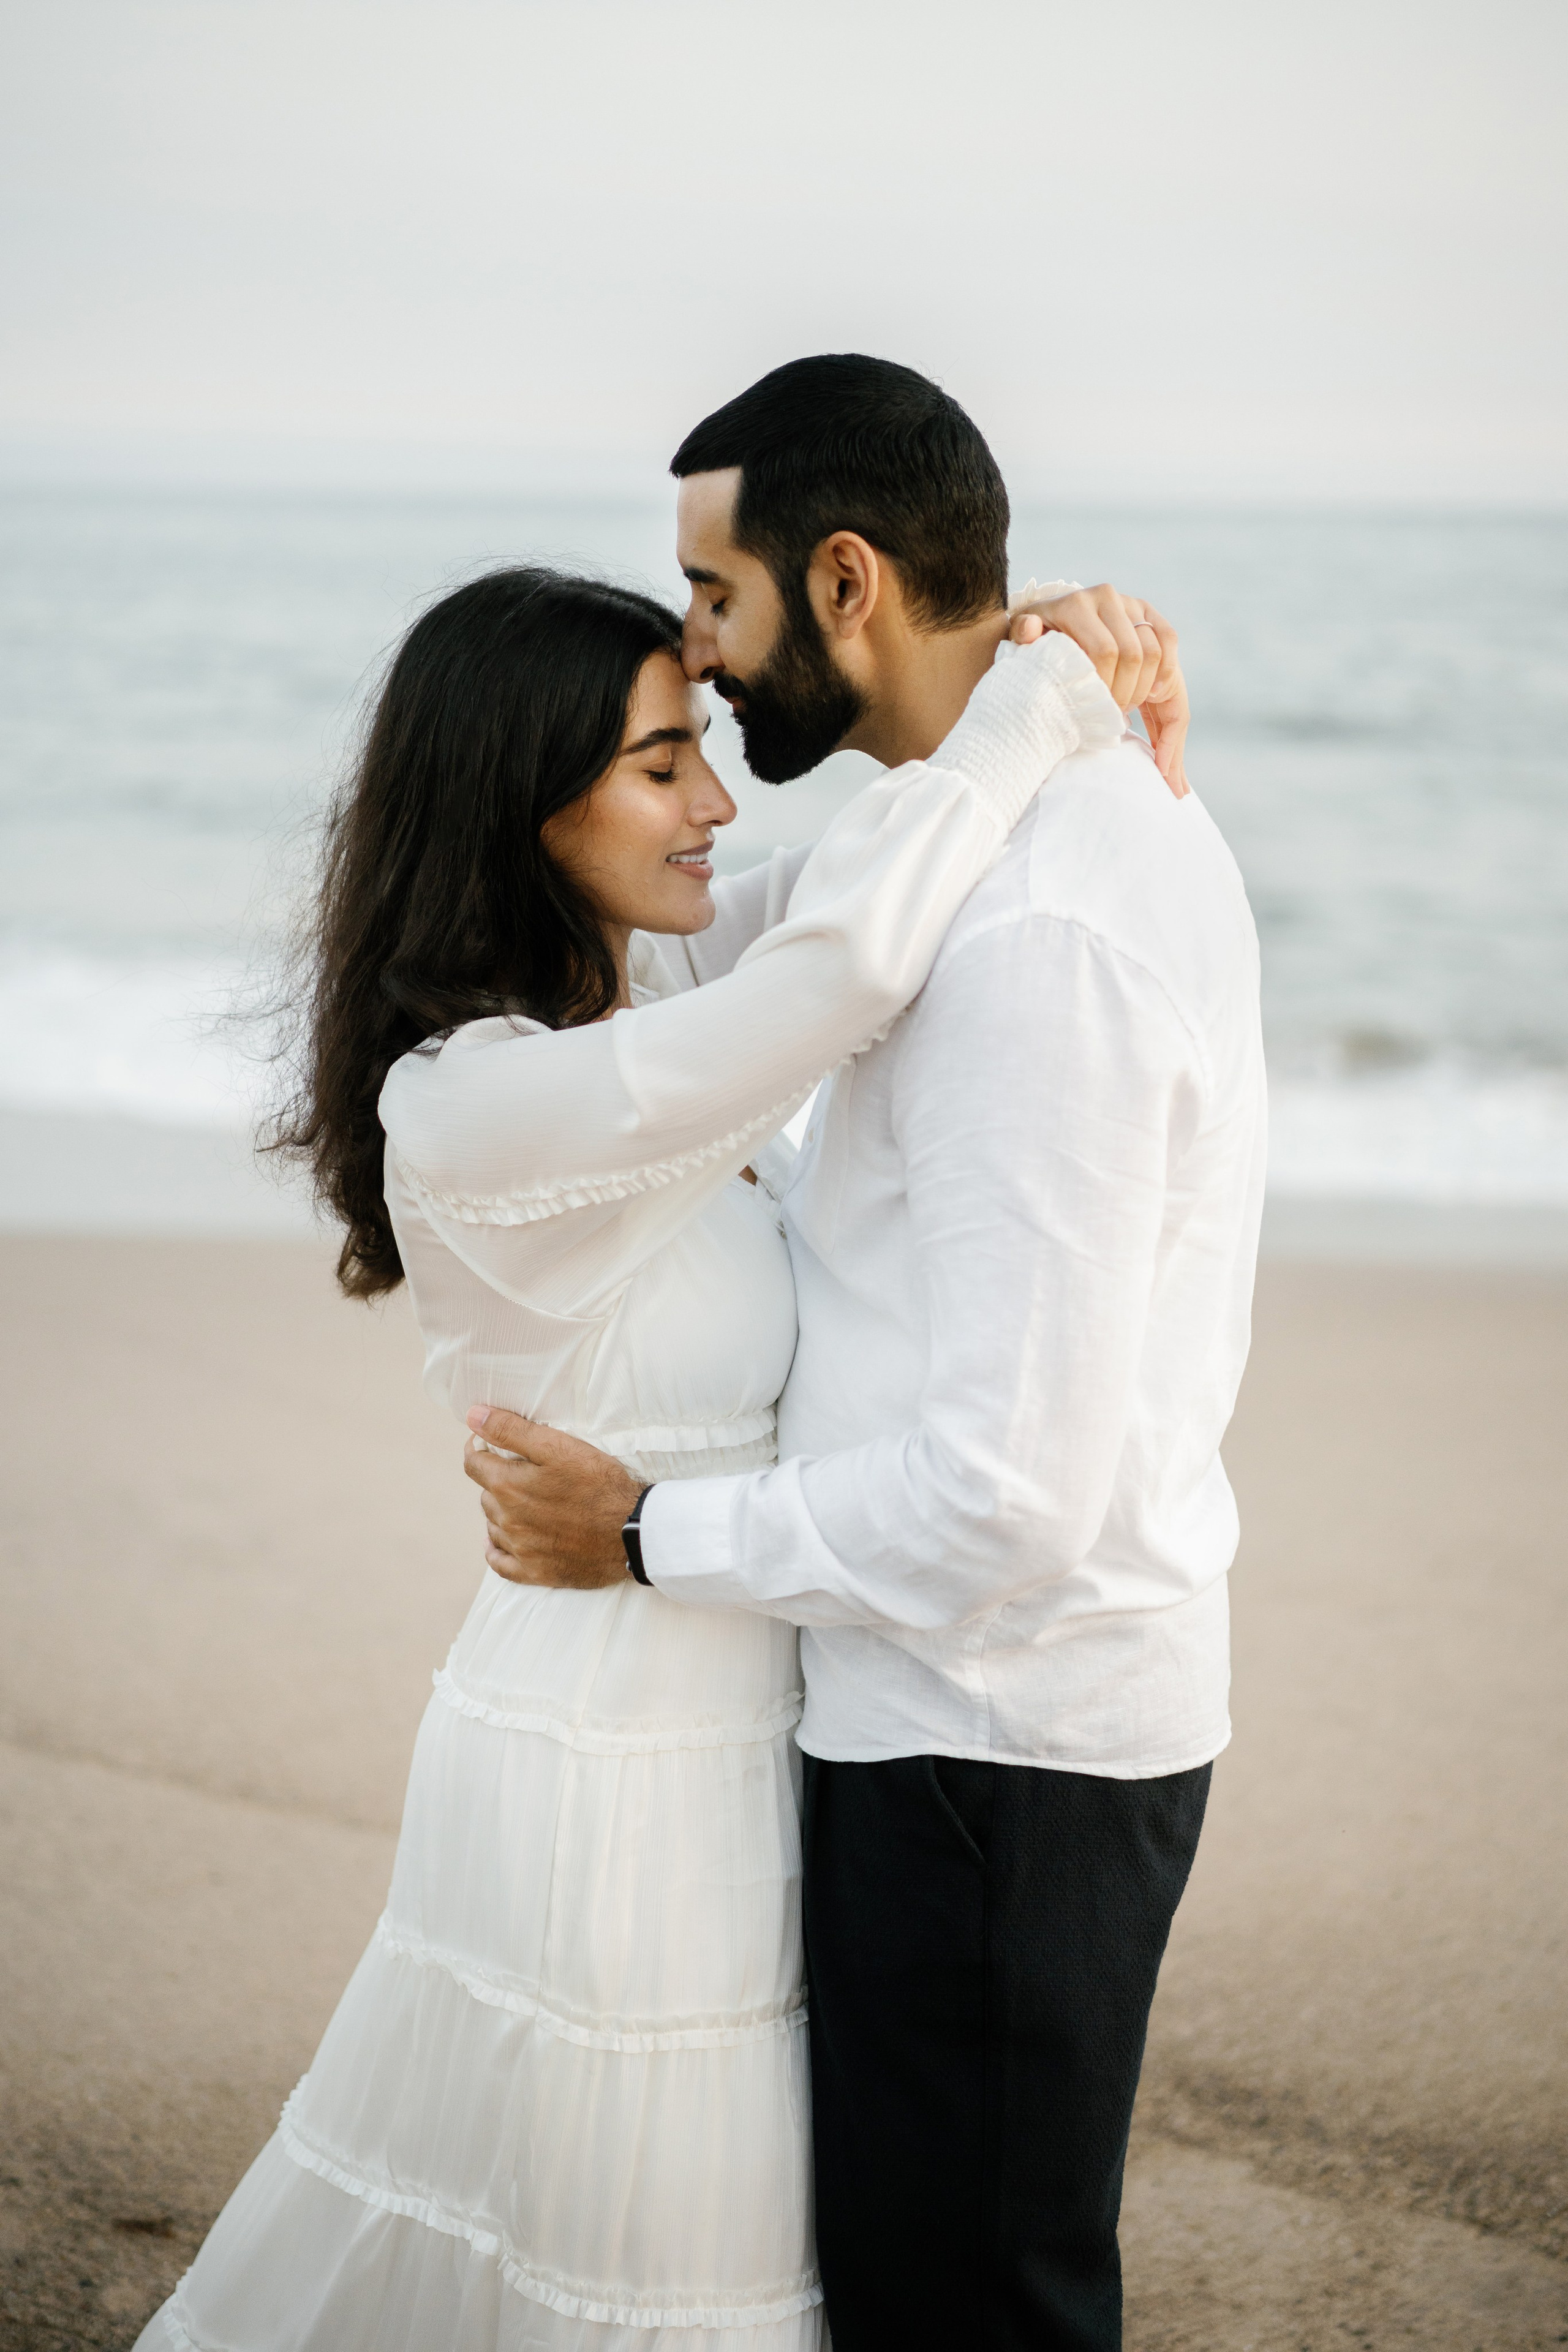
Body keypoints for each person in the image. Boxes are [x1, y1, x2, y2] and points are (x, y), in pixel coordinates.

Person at [133, 489, 1150, 2348]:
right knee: (647, 2257)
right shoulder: (478, 1105)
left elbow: (852, 900)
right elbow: (843, 971)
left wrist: (1019, 654)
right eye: (665, 762)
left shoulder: (643, 981)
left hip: (731, 1705)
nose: (718, 806)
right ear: (525, 808)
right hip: (603, 1752)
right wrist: (1045, 708)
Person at [466, 354, 1267, 2352]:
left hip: (990, 1741)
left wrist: (650, 1537)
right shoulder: (979, 841)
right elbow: (730, 953)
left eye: (714, 603)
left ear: (844, 585)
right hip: (966, 1719)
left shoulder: (1033, 940)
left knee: (966, 2310)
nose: (699, 658)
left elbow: (1007, 1494)